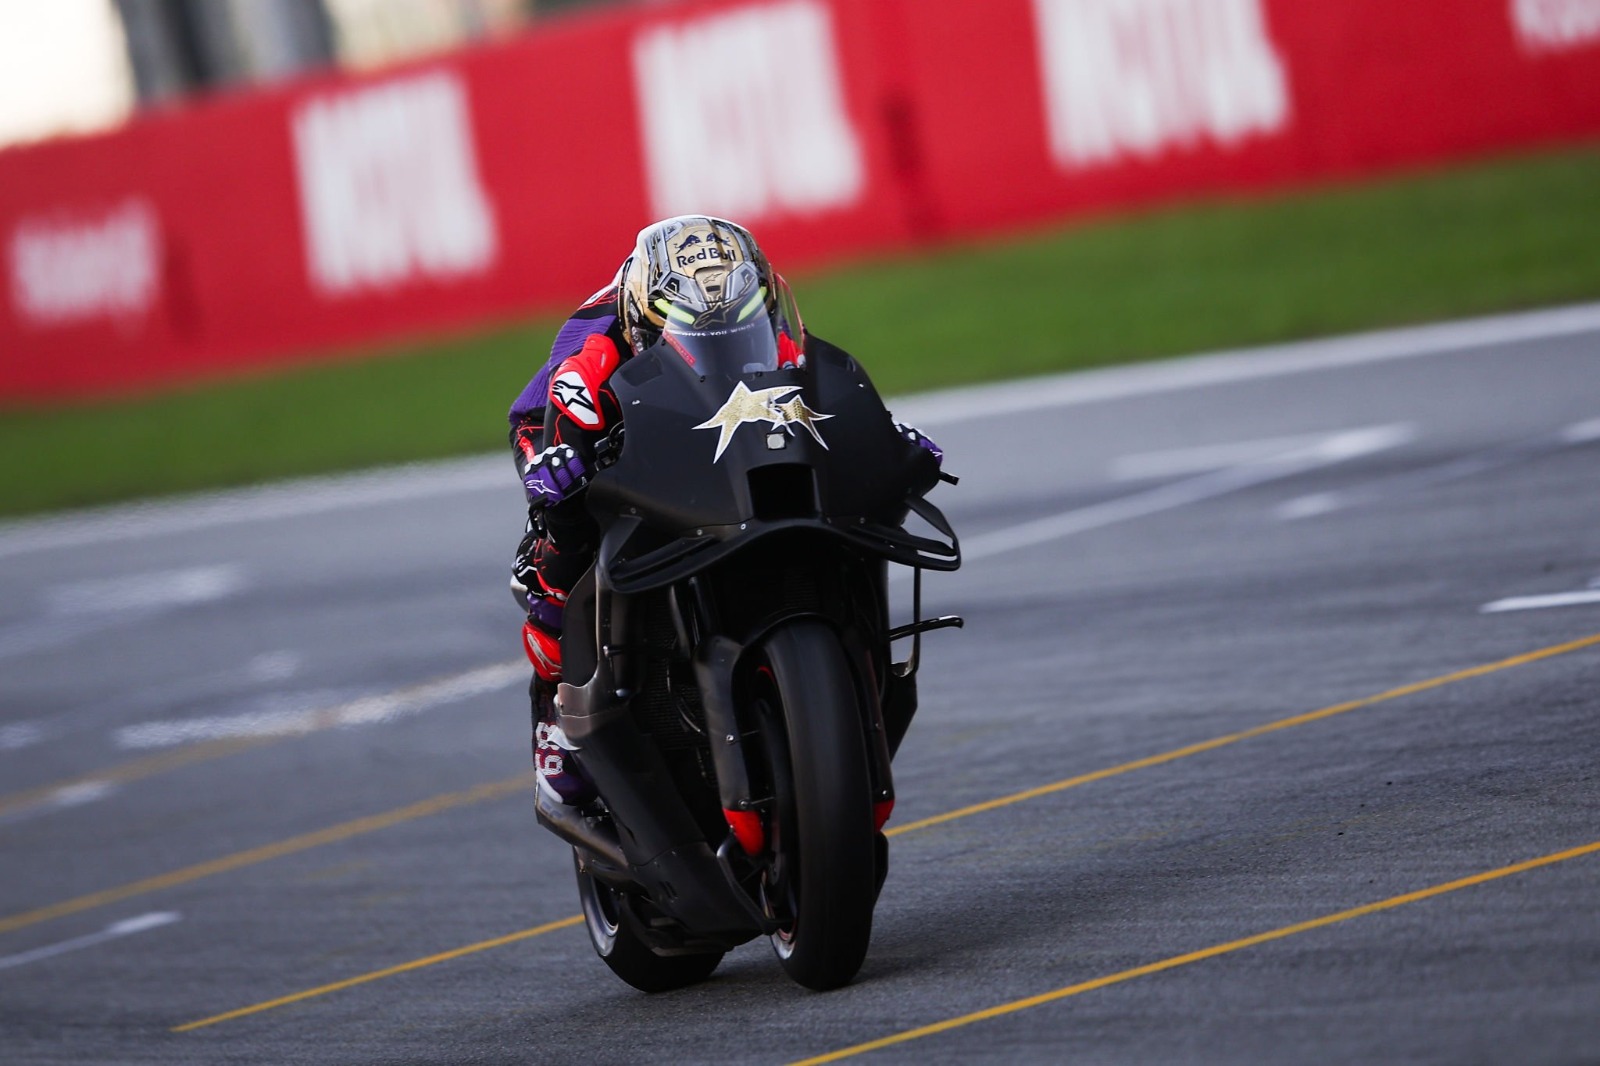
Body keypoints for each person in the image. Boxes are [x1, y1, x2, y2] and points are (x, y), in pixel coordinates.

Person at [506, 215, 941, 808]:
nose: (728, 334)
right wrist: (553, 464)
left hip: (714, 404)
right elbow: (559, 422)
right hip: (565, 417)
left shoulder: (772, 326)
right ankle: (553, 722)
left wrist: (887, 439)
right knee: (562, 530)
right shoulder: (592, 349)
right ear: (644, 317)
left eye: (741, 323)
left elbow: (814, 393)